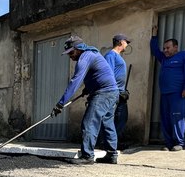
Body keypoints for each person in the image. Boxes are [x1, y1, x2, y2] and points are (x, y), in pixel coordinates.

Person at [51, 35, 119, 165]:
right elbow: (96, 74)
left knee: (89, 122)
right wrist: (87, 89)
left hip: (103, 93)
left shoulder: (85, 57)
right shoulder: (92, 55)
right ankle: (112, 155)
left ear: (78, 48)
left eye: (71, 52)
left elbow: (75, 81)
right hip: (111, 92)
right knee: (107, 123)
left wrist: (61, 103)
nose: (70, 55)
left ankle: (87, 156)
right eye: (68, 53)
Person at [150, 25, 185, 151]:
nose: (165, 50)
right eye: (164, 48)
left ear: (176, 47)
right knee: (165, 118)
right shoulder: (164, 59)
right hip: (165, 93)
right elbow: (155, 51)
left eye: (168, 48)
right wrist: (154, 36)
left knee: (177, 117)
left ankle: (180, 143)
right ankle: (169, 143)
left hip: (178, 93)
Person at [104, 34, 130, 147]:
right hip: (114, 93)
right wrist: (115, 90)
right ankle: (107, 143)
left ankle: (114, 142)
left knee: (121, 117)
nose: (127, 44)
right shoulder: (111, 55)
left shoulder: (118, 56)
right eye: (126, 42)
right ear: (120, 42)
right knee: (110, 119)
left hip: (120, 93)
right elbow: (108, 74)